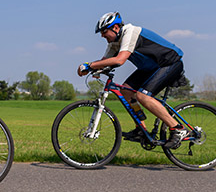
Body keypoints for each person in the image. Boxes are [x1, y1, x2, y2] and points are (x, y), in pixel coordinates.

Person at [78, 11, 188, 149]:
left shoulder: (130, 32)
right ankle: (141, 129)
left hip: (169, 63)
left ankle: (178, 128)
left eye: (104, 31)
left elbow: (120, 59)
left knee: (143, 96)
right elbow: (105, 61)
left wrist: (90, 65)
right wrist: (92, 69)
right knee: (126, 91)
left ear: (116, 28)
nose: (102, 35)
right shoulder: (114, 42)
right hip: (151, 68)